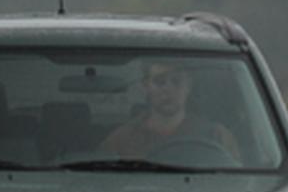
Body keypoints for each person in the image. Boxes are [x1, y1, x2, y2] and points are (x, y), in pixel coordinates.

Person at [100, 61, 240, 162]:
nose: (168, 89)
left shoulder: (217, 136)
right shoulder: (120, 141)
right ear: (146, 86)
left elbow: (239, 184)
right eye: (160, 82)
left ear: (189, 86)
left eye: (176, 81)